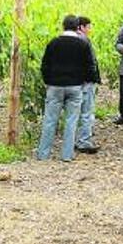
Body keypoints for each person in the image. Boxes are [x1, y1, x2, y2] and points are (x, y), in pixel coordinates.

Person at [37, 15, 99, 162]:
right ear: (77, 27)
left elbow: (44, 65)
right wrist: (86, 81)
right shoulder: (82, 45)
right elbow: (89, 66)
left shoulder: (53, 43)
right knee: (71, 121)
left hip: (55, 86)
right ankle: (67, 155)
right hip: (75, 86)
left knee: (50, 120)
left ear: (63, 26)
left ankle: (43, 154)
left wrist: (48, 81)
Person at [75, 16, 101, 154]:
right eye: (88, 26)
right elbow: (90, 63)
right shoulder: (83, 40)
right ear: (81, 27)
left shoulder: (73, 39)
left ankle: (77, 139)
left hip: (76, 82)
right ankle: (84, 141)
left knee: (77, 112)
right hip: (86, 82)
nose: (90, 29)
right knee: (86, 112)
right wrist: (93, 78)